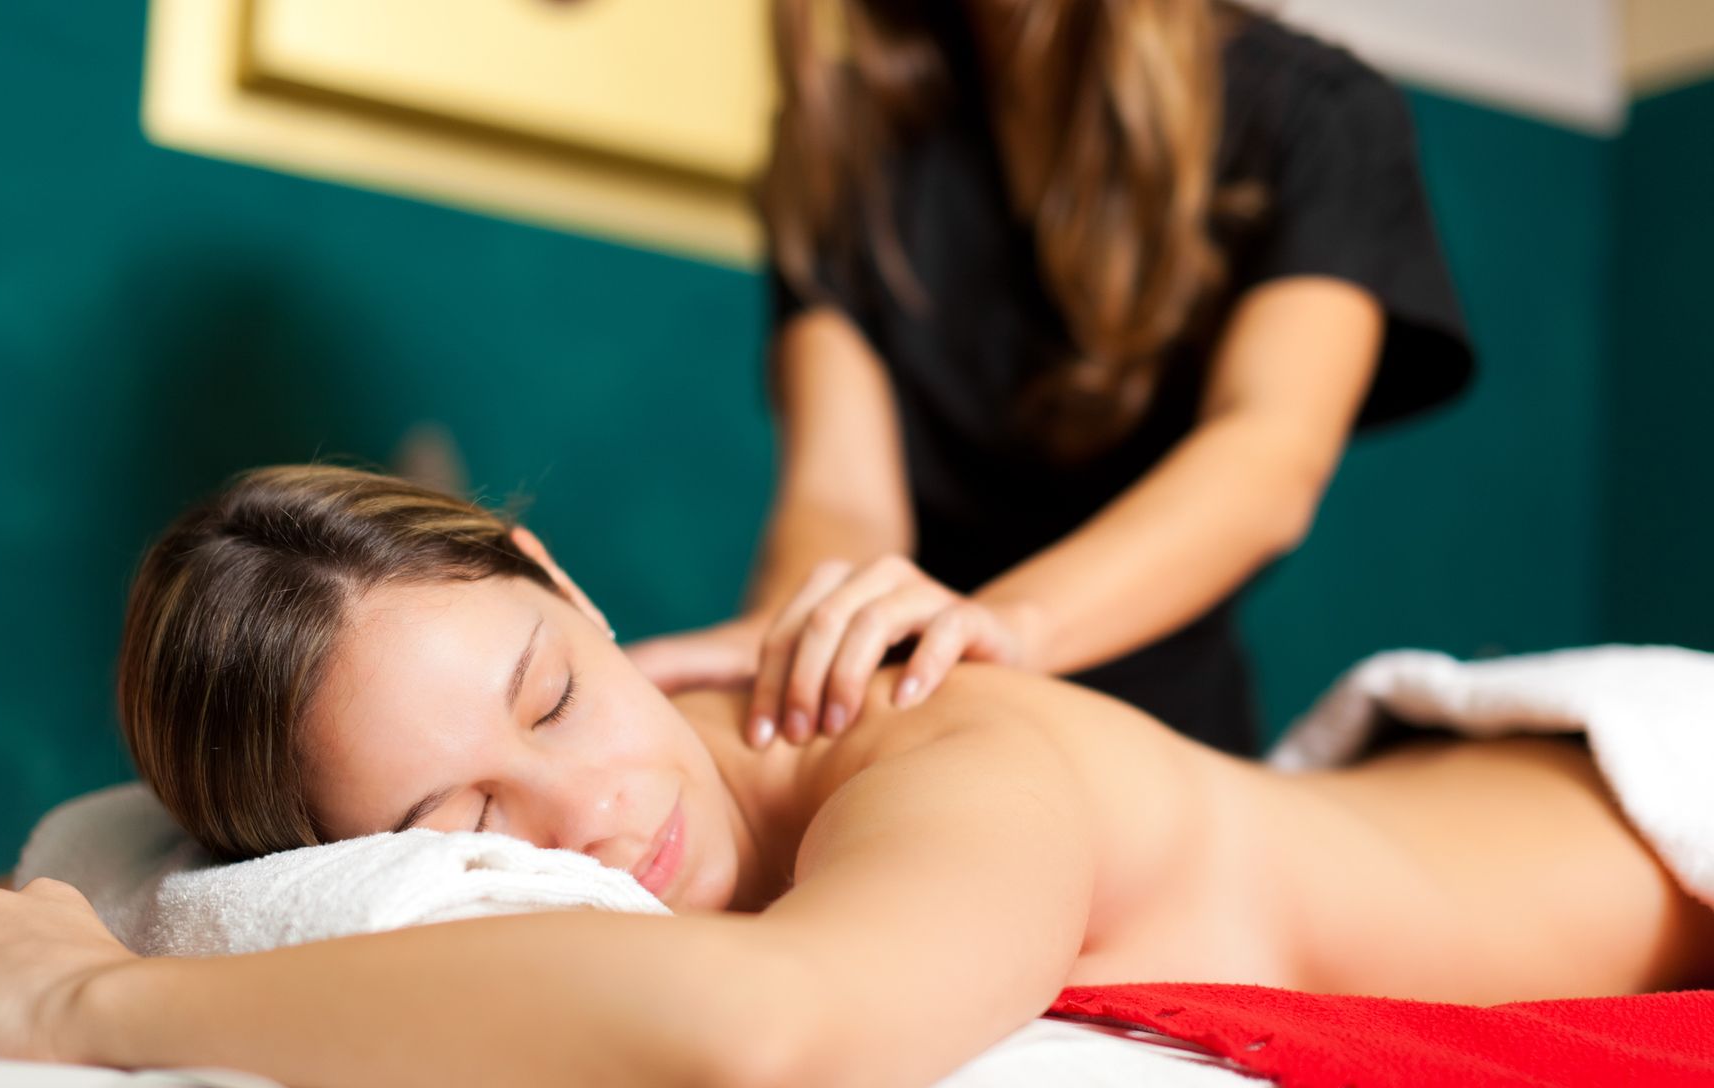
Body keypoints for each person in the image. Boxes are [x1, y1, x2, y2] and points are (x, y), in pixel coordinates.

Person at [0, 467, 1709, 1088]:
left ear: (565, 578)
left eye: (553, 692)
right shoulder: (597, 783)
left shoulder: (962, 764)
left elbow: (776, 1046)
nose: (595, 807)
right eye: (467, 816)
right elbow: (121, 869)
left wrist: (87, 1004)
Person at [628, 0, 1475, 758]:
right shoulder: (843, 138)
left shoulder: (1321, 117)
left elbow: (1265, 456)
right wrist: (796, 635)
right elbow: (841, 496)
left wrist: (1007, 627)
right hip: (913, 727)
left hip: (1159, 753)